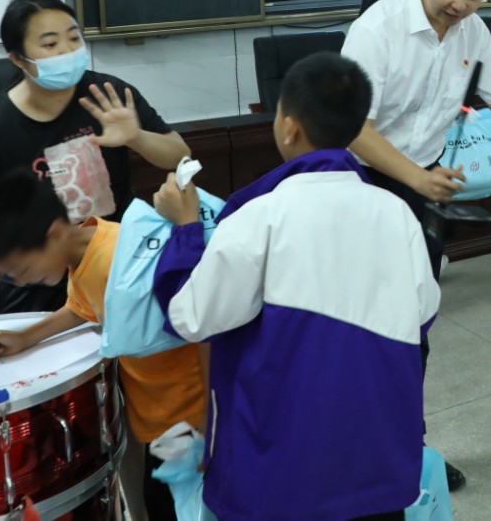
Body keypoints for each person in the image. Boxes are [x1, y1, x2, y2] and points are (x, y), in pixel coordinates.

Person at [151, 52, 439, 521]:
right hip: (375, 460)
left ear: (288, 127)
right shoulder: (397, 213)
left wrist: (186, 229)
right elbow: (423, 312)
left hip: (282, 469)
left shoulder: (259, 217)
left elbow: (192, 317)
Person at [341, 0, 491, 489]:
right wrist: (417, 178)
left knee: (415, 321)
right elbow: (353, 128)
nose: (461, 5)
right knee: (363, 327)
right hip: (362, 185)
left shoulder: (472, 32)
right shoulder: (377, 30)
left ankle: (408, 447)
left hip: (422, 184)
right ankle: (358, 447)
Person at [0, 0, 190, 368]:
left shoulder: (107, 95)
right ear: (18, 59)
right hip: (39, 274)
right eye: (51, 44)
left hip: (115, 261)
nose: (68, 51)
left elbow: (180, 154)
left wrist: (135, 136)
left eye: (73, 38)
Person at [0, 172, 206, 521]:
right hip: (160, 416)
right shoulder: (85, 252)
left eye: (23, 269)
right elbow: (83, 307)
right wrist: (26, 337)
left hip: (188, 416)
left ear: (55, 233)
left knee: (181, 509)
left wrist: (210, 421)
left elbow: (200, 328)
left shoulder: (117, 259)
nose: (23, 282)